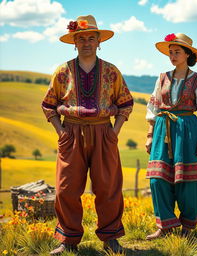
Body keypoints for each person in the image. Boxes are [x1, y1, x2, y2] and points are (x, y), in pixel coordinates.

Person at [41, 15, 133, 254]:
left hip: (104, 131)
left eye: (91, 38)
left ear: (99, 41)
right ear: (74, 42)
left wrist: (114, 131)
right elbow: (48, 105)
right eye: (81, 39)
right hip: (71, 132)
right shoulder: (62, 71)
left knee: (108, 186)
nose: (87, 43)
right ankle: (68, 240)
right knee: (65, 188)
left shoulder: (112, 72)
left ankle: (111, 239)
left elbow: (125, 103)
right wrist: (61, 131)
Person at [145, 33, 197, 240]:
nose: (172, 55)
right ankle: (165, 225)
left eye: (177, 52)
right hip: (162, 128)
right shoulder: (162, 78)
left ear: (187, 54)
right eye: (170, 52)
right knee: (157, 179)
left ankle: (187, 225)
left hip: (188, 130)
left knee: (187, 179)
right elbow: (154, 107)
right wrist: (149, 135)